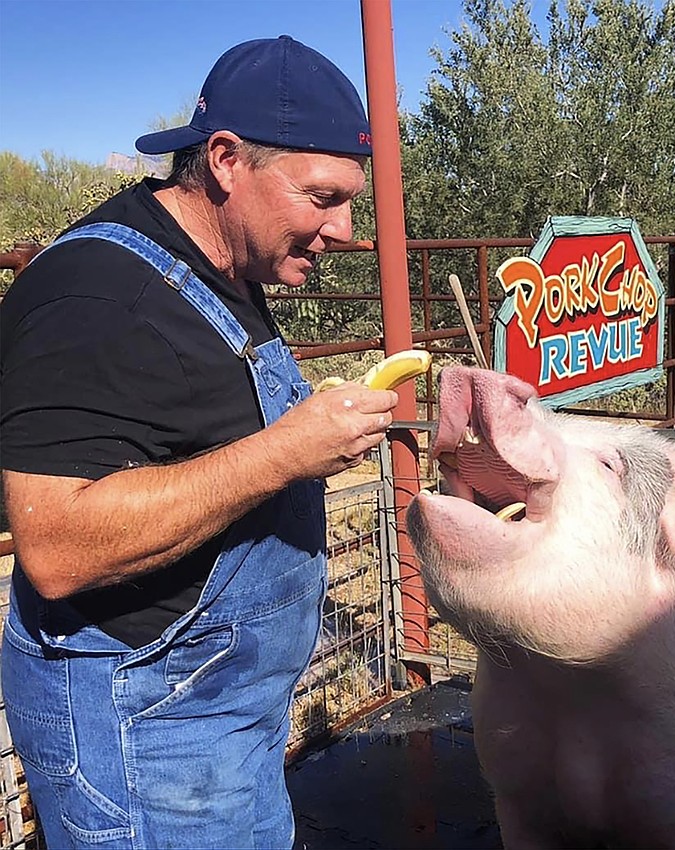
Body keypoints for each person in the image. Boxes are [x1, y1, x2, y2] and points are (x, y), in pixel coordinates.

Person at [0, 35, 397, 849]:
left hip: (223, 726)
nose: (345, 230)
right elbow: (56, 546)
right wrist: (284, 454)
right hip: (143, 737)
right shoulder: (94, 300)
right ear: (224, 160)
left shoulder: (224, 266)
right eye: (322, 198)